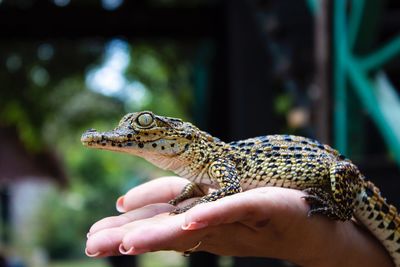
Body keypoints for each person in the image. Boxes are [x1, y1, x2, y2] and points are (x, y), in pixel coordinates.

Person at [85, 176, 394, 267]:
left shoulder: (218, 166)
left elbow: (230, 189)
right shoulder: (205, 172)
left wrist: (334, 240)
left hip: (347, 183)